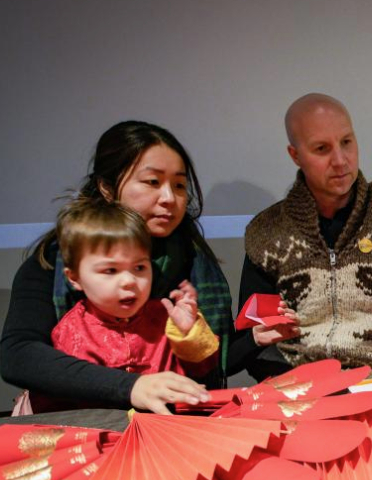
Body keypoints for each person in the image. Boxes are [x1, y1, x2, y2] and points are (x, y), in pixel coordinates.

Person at [1, 121, 235, 414]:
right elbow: (19, 355)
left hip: (171, 425)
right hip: (78, 422)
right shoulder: (54, 262)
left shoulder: (195, 263)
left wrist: (249, 339)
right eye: (152, 182)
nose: (169, 198)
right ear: (107, 188)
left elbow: (215, 364)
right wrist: (132, 387)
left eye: (179, 185)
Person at [236, 93, 372, 379]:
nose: (340, 160)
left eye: (347, 142)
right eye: (322, 148)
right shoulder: (266, 232)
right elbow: (254, 335)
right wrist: (286, 382)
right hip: (301, 387)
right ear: (295, 155)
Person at [19, 199, 219, 414]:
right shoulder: (72, 332)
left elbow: (204, 369)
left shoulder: (163, 316)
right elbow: (61, 403)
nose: (129, 281)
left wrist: (189, 332)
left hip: (167, 427)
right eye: (110, 271)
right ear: (74, 277)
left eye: (140, 267)